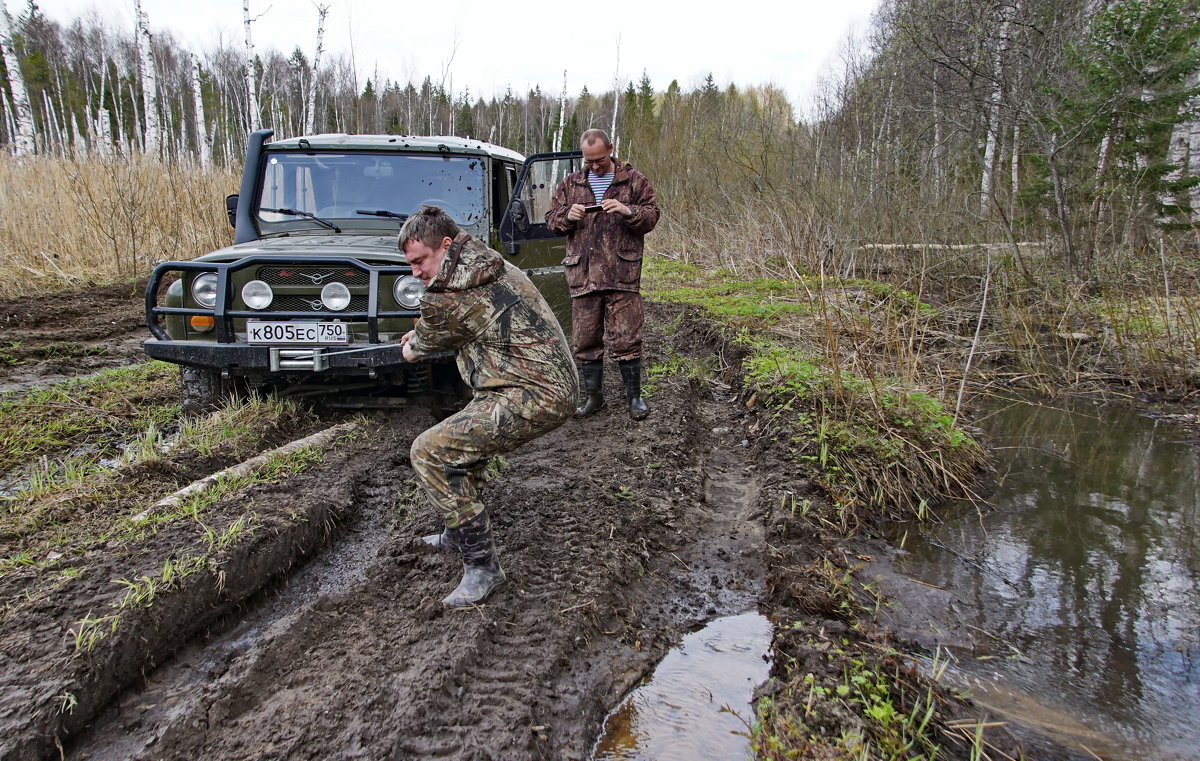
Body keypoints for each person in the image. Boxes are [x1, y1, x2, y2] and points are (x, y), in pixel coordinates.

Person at [399, 206, 578, 607]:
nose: (415, 273)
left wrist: (411, 347)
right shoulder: (483, 259)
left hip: (535, 392)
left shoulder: (450, 292)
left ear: (445, 246)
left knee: (429, 451)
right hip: (534, 381)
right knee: (464, 436)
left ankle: (483, 569)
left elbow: (421, 345)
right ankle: (456, 527)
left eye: (419, 261)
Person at [546, 128, 660, 420]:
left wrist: (626, 210)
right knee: (585, 340)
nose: (594, 166)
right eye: (588, 161)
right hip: (583, 275)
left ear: (610, 149)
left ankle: (634, 398)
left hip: (621, 272)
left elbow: (651, 216)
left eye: (598, 159)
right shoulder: (571, 183)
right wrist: (566, 217)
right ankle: (593, 397)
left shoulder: (634, 180)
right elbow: (551, 220)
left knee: (627, 338)